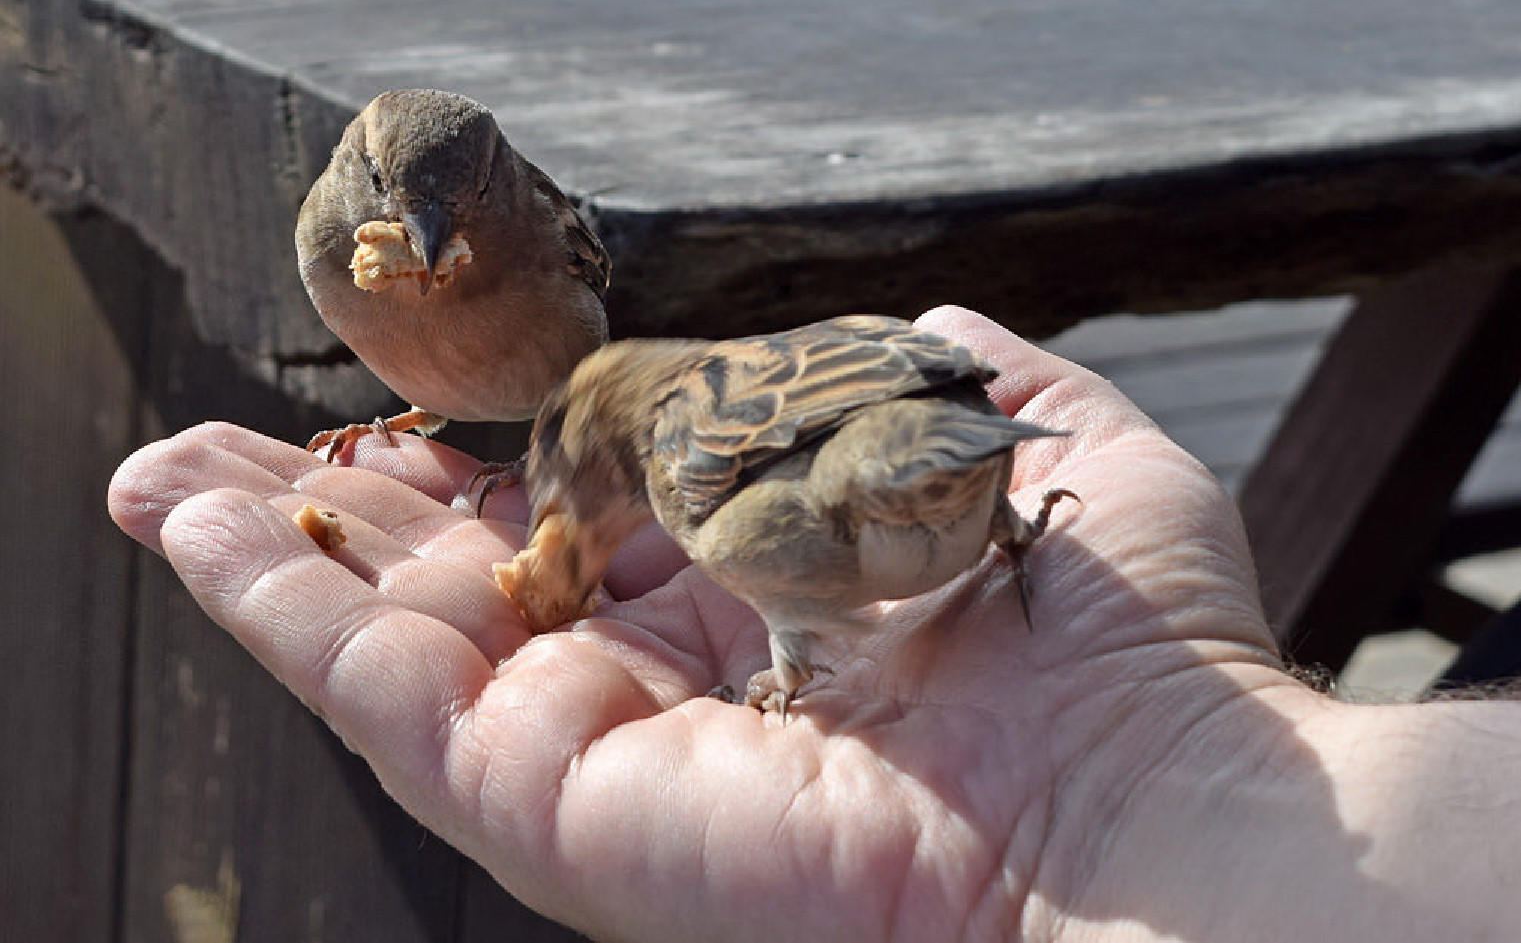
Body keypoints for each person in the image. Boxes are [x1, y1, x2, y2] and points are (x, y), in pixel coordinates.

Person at [108, 305, 1521, 942]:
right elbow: (929, 369)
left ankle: (805, 656)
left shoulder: (685, 430)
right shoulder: (768, 361)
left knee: (779, 578)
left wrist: (788, 665)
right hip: (968, 449)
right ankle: (989, 525)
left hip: (864, 485)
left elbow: (808, 492)